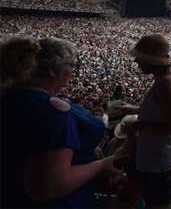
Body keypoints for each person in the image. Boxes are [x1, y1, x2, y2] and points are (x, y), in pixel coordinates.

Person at [1, 37, 120, 208]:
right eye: (71, 65)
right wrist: (101, 165)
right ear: (52, 71)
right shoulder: (51, 111)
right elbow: (49, 188)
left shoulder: (10, 95)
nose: (73, 71)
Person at [127, 34, 171, 208]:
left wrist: (139, 125)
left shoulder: (166, 83)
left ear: (151, 60)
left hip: (162, 160)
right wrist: (137, 109)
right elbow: (165, 110)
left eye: (139, 58)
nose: (136, 62)